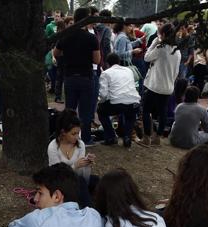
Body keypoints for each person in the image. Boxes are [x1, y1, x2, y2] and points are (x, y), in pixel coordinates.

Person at [54, 8, 100, 145]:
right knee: (85, 111)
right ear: (86, 19)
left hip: (70, 77)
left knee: (70, 110)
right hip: (86, 76)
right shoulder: (91, 38)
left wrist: (68, 54)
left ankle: (68, 136)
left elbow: (56, 53)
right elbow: (97, 60)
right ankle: (86, 139)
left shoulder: (65, 35)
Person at [140, 23, 181, 146]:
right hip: (168, 87)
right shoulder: (177, 51)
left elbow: (146, 57)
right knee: (162, 112)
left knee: (146, 110)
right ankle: (157, 137)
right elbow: (176, 72)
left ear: (163, 34)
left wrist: (154, 42)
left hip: (155, 86)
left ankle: (146, 137)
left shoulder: (161, 48)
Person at [47, 110, 97, 207]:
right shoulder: (53, 147)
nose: (77, 137)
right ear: (63, 132)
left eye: (78, 133)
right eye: (73, 134)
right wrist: (75, 166)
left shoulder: (80, 145)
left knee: (97, 181)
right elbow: (57, 176)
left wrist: (86, 165)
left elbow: (84, 177)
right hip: (59, 182)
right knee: (80, 182)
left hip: (77, 179)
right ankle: (88, 211)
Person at [97, 53, 140, 148]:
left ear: (107, 64)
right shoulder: (129, 70)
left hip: (117, 102)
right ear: (119, 62)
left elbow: (103, 95)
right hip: (134, 101)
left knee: (101, 111)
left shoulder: (106, 73)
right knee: (129, 117)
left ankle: (111, 136)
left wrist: (100, 102)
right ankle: (127, 137)